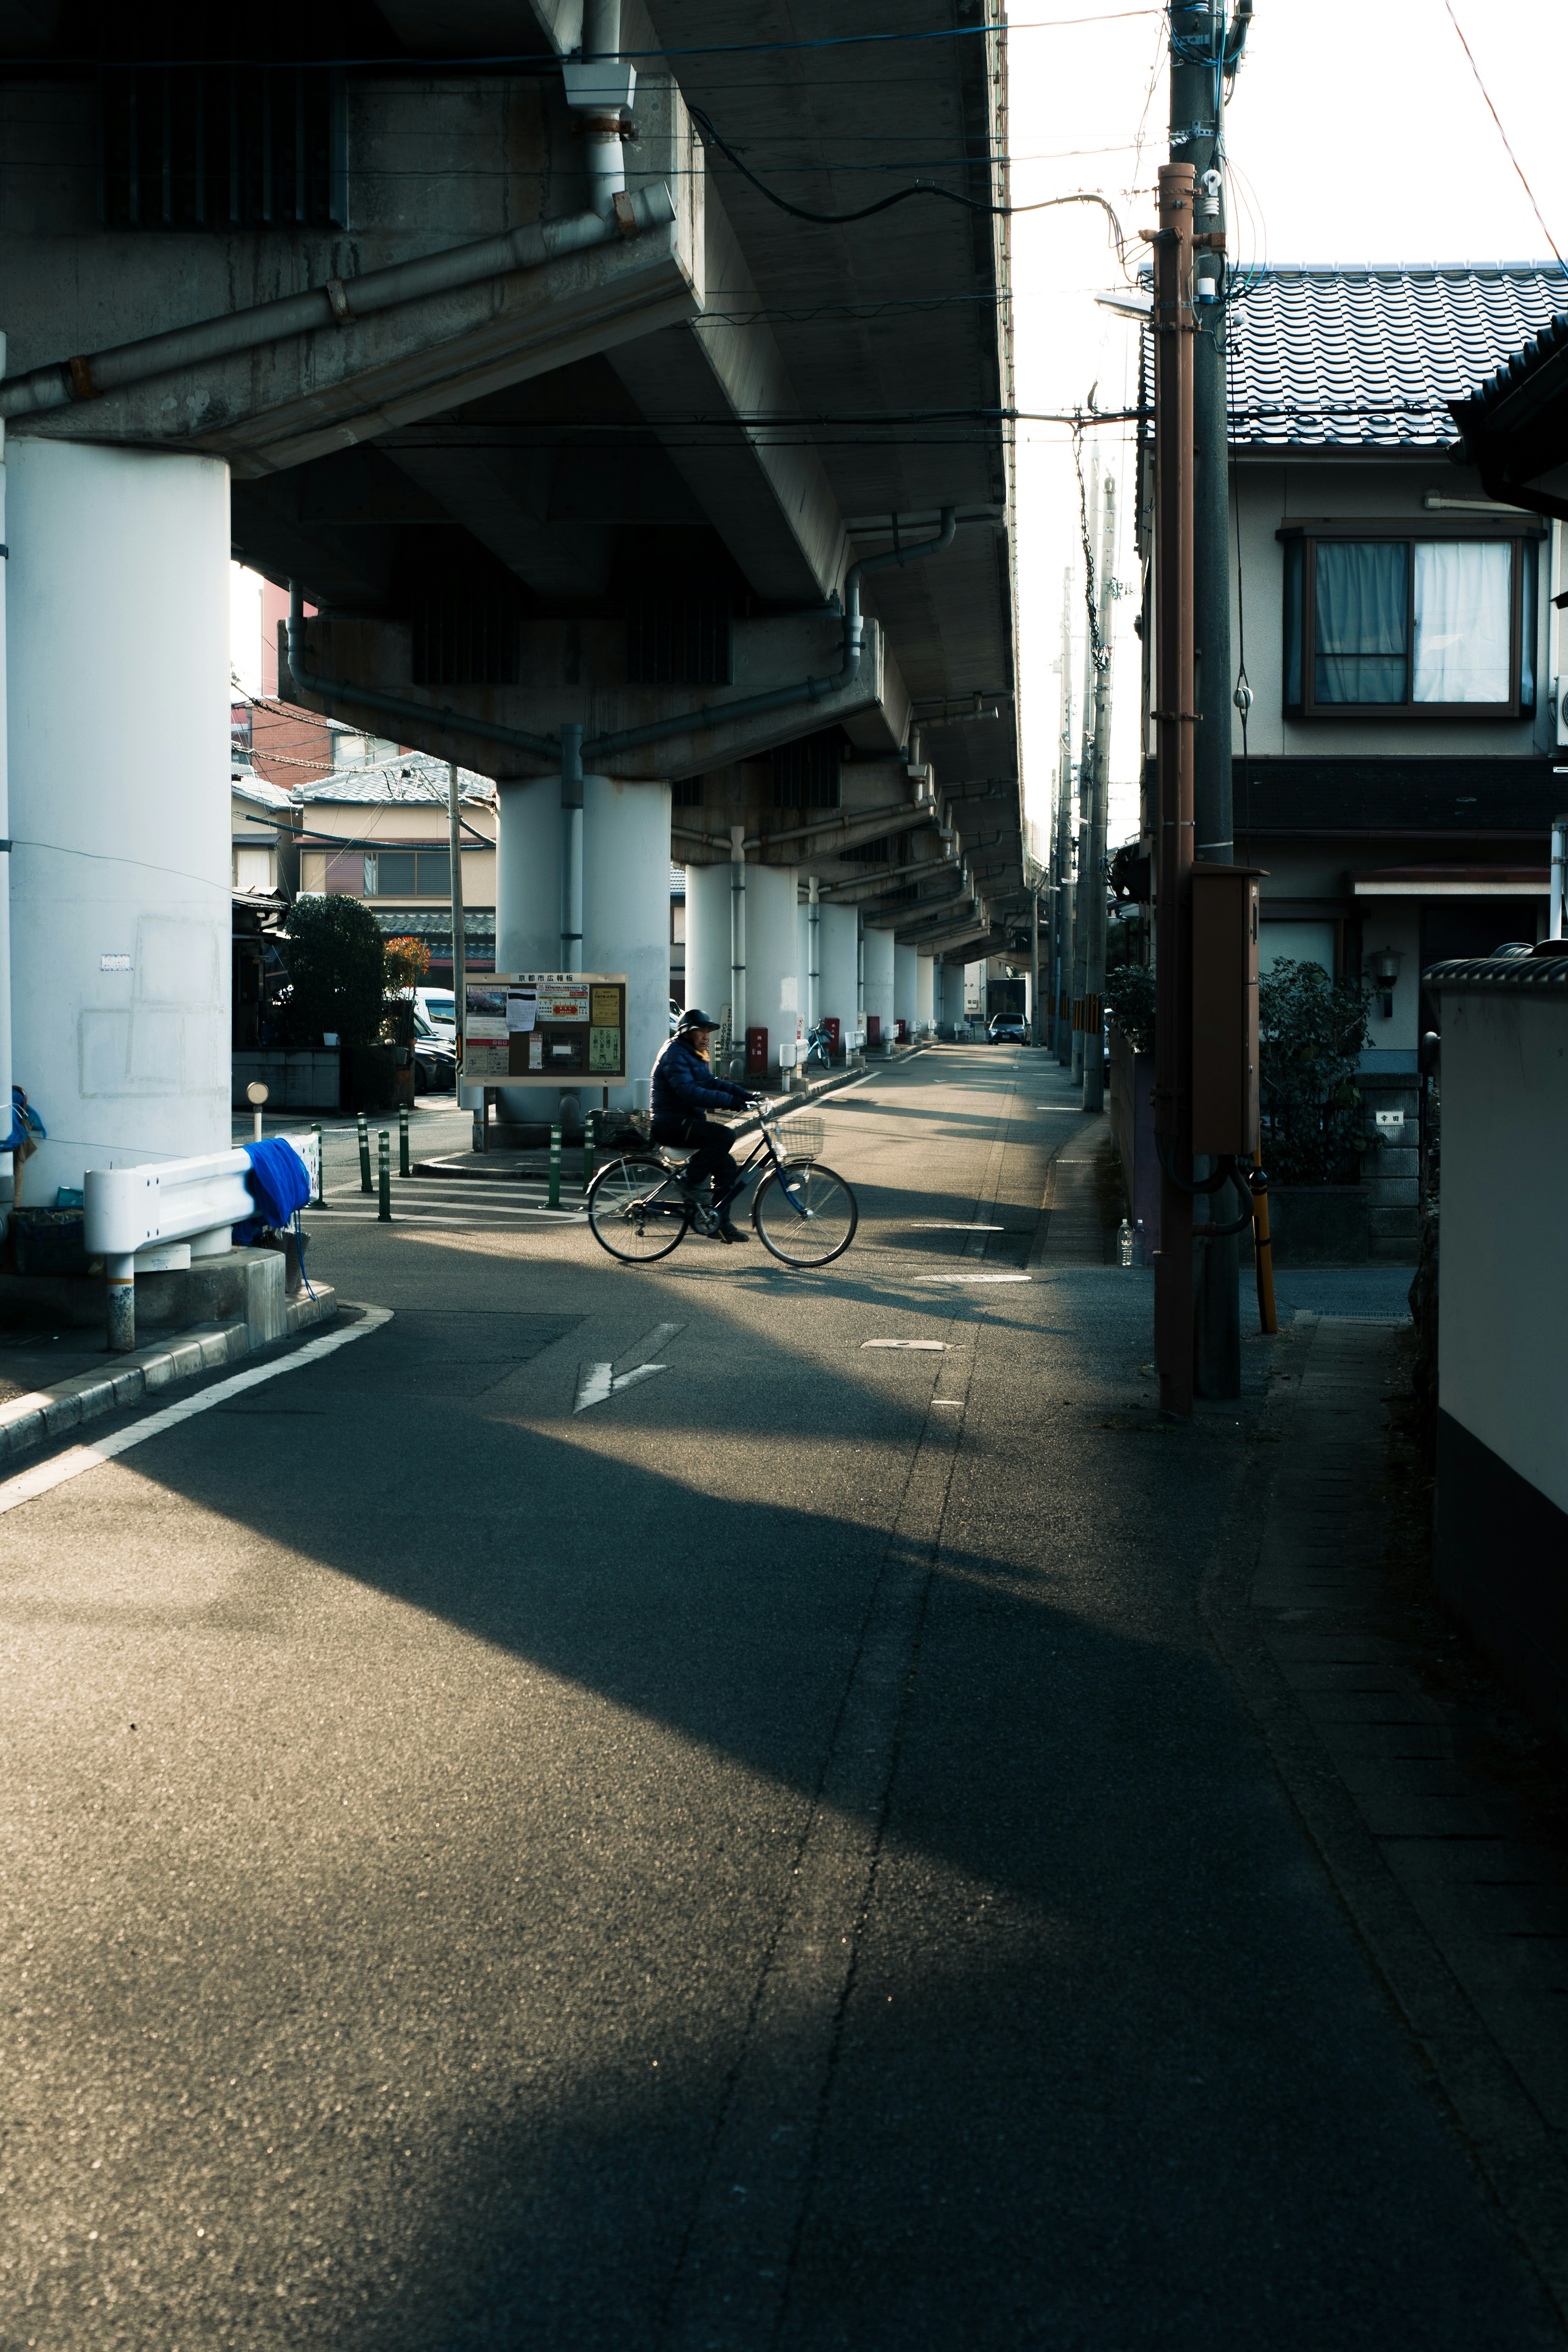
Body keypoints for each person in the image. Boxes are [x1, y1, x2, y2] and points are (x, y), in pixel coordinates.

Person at [650, 1009, 753, 1242]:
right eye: (701, 1031)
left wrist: (746, 1096)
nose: (707, 1036)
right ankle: (690, 1183)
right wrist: (733, 1103)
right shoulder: (674, 1053)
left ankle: (720, 1222)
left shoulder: (693, 1053)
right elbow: (689, 1092)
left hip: (688, 1122)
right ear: (687, 1033)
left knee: (727, 1165)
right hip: (671, 1124)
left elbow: (710, 1083)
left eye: (708, 1031)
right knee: (725, 1136)